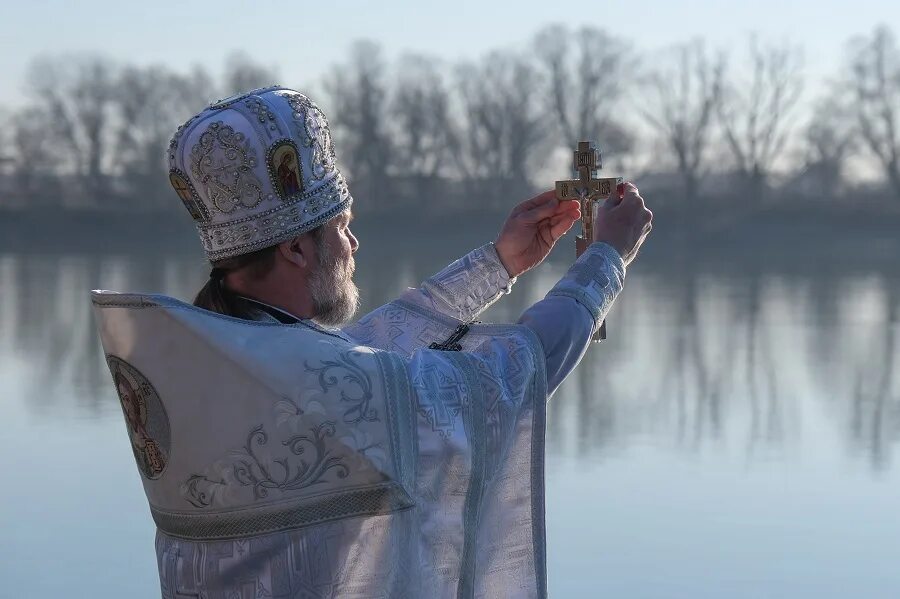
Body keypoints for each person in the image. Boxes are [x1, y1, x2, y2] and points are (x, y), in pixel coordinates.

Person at [92, 86, 652, 599]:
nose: (354, 244)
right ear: (295, 250)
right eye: (342, 226)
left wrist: (498, 263)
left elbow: (360, 357)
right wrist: (606, 261)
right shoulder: (320, 385)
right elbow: (510, 376)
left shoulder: (207, 360)